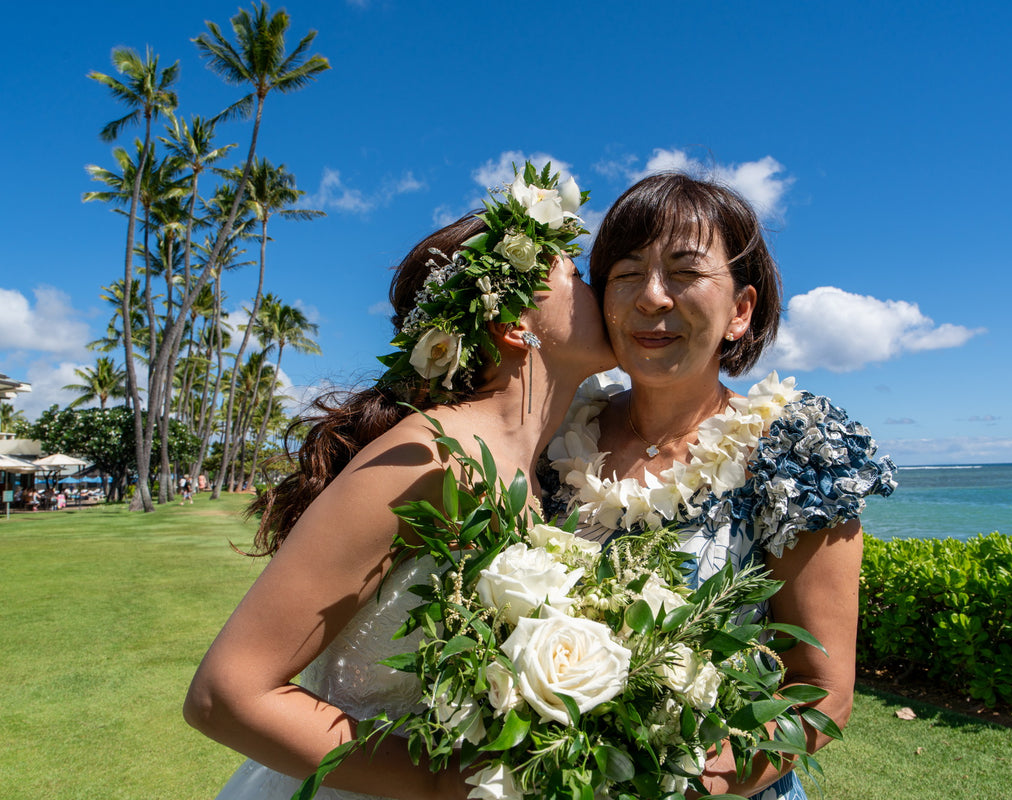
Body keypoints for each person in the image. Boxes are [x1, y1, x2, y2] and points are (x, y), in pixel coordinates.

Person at [185, 164, 615, 800]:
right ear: (512, 325)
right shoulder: (425, 458)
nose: (598, 288)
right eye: (574, 276)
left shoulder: (549, 466)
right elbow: (227, 693)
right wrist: (443, 785)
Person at [544, 173, 897, 800]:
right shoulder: (554, 433)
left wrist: (694, 780)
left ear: (740, 310)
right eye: (625, 274)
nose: (652, 297)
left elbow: (822, 691)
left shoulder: (794, 447)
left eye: (684, 272)